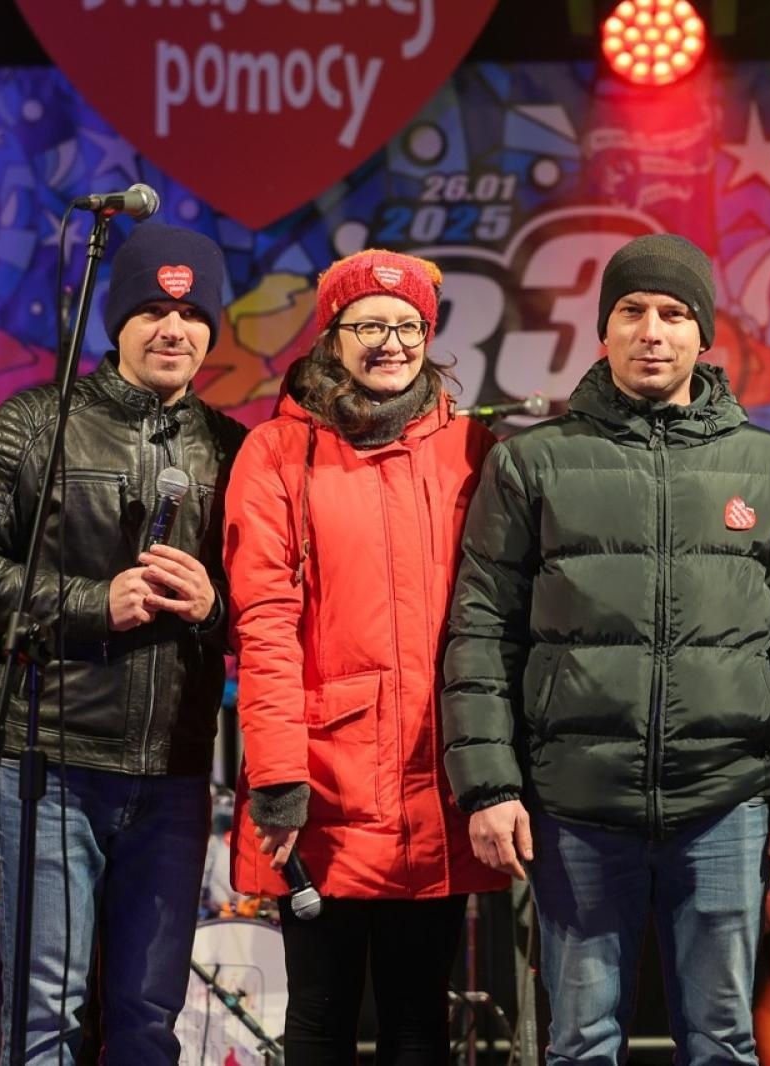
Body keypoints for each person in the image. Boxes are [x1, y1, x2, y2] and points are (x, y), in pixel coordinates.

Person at [441, 233, 770, 1064]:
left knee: (725, 1043)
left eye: (673, 313)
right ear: (603, 330)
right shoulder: (532, 465)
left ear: (705, 335)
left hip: (726, 804)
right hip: (576, 806)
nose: (652, 331)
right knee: (581, 1045)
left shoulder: (769, 471)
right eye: (631, 311)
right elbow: (480, 630)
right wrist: (490, 786)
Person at [0, 222, 247, 1064]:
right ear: (117, 319)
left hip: (175, 775)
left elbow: (276, 610)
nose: (173, 328)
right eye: (152, 308)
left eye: (190, 312)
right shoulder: (37, 421)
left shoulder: (235, 448)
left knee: (148, 1021)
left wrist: (216, 604)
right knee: (45, 1020)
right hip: (52, 767)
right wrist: (90, 602)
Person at [223, 248, 507, 1064]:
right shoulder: (275, 453)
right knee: (321, 1015)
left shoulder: (473, 450)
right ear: (331, 336)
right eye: (368, 325)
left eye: (408, 325)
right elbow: (265, 624)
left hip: (436, 776)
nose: (391, 342)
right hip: (322, 784)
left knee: (422, 1019)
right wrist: (277, 778)